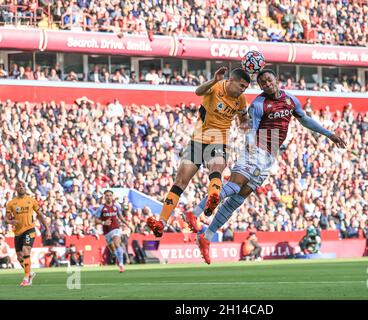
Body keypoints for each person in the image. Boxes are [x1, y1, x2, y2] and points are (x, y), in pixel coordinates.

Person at [190, 69, 346, 264]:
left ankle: (206, 237)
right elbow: (251, 127)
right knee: (234, 186)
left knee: (238, 199)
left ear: (275, 80)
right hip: (256, 149)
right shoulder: (258, 103)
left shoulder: (290, 100)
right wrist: (251, 147)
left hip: (269, 157)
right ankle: (194, 213)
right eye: (262, 82)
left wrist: (329, 134)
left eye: (268, 80)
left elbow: (305, 119)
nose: (266, 84)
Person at [146, 67, 251, 237]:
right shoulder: (216, 87)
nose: (242, 90)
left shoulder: (241, 100)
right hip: (197, 140)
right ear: (231, 80)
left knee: (216, 168)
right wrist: (214, 80)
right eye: (241, 86)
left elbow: (243, 119)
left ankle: (213, 199)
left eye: (245, 88)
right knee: (180, 181)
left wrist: (245, 124)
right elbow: (197, 91)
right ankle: (161, 222)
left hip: (219, 140)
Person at [5, 181, 51, 286]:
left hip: (29, 229)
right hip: (17, 232)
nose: (21, 188)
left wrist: (47, 229)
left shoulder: (31, 201)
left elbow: (40, 215)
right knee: (19, 257)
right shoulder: (11, 203)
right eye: (19, 186)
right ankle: (29, 274)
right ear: (16, 189)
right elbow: (6, 218)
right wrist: (11, 221)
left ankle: (26, 279)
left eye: (23, 186)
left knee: (26, 250)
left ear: (25, 188)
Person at [93, 190, 131, 273]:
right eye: (107, 195)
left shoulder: (116, 206)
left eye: (110, 195)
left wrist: (127, 224)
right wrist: (103, 222)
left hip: (115, 228)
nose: (109, 197)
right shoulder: (101, 208)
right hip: (107, 231)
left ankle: (121, 264)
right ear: (104, 197)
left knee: (117, 244)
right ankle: (118, 259)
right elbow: (95, 220)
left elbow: (120, 217)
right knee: (113, 250)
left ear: (112, 196)